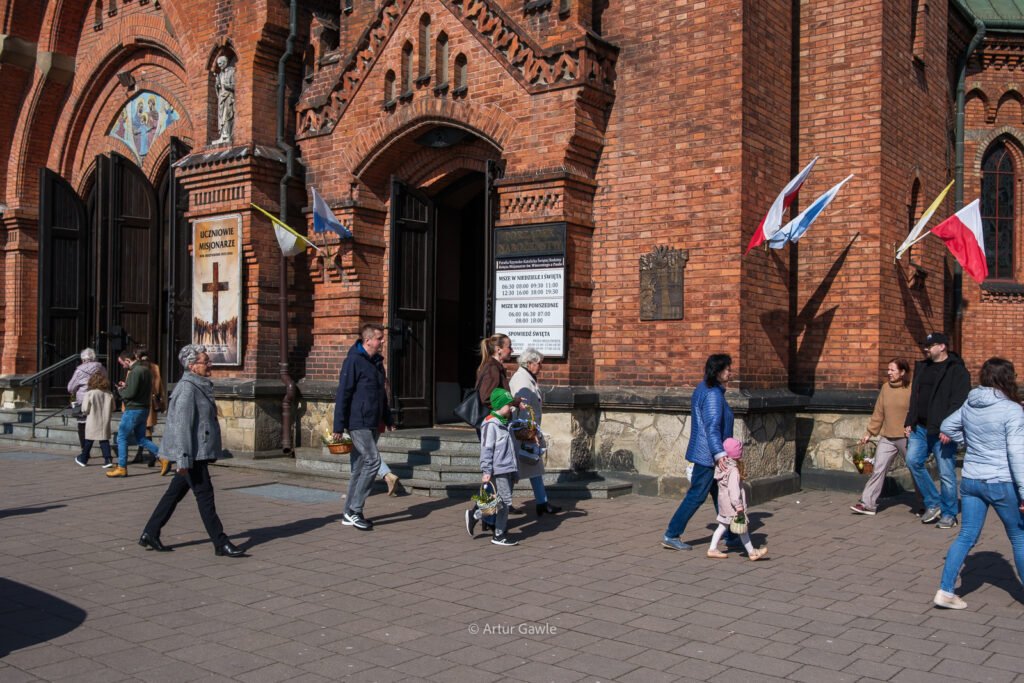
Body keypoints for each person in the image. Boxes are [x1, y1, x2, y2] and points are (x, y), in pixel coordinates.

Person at [933, 357, 1024, 609]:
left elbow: (947, 426)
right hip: (1001, 481)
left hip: (972, 480)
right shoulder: (1012, 410)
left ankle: (945, 591)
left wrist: (967, 441)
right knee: (1019, 538)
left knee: (966, 536)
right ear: (1008, 378)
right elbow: (1017, 453)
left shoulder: (970, 403)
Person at [138, 345, 245, 558]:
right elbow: (181, 427)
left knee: (174, 493)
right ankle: (220, 542)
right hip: (191, 454)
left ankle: (150, 532)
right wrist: (183, 460)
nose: (210, 365)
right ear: (192, 366)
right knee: (205, 496)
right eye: (206, 361)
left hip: (196, 451)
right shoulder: (188, 389)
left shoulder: (199, 385)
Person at [662, 353, 740, 551]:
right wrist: (720, 454)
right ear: (718, 371)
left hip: (708, 453)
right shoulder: (713, 394)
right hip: (709, 456)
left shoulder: (705, 388)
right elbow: (712, 427)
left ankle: (732, 534)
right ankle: (671, 534)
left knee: (721, 494)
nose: (730, 372)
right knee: (697, 495)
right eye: (727, 369)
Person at [904, 332, 971, 529]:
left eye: (930, 345)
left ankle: (949, 514)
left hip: (943, 431)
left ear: (942, 346)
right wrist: (910, 420)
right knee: (913, 461)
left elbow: (959, 403)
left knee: (946, 473)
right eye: (925, 345)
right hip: (920, 428)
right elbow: (915, 397)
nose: (926, 349)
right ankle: (934, 503)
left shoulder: (957, 370)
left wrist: (950, 428)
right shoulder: (923, 367)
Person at [333, 323, 395, 531]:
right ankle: (355, 510)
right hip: (358, 421)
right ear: (367, 340)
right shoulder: (353, 361)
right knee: (373, 461)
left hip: (373, 421)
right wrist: (338, 426)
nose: (383, 341)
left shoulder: (377, 363)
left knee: (359, 469)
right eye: (379, 338)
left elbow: (381, 394)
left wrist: (388, 418)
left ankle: (347, 513)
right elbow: (343, 393)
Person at [850, 359, 912, 515]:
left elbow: (917, 411)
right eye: (888, 369)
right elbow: (878, 413)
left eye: (892, 370)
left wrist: (914, 426)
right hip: (887, 437)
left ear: (902, 372)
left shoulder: (911, 388)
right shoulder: (885, 388)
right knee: (878, 469)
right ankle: (867, 504)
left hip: (906, 438)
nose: (889, 372)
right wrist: (869, 432)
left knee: (916, 470)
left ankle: (926, 503)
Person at [509, 348, 561, 516]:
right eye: (539, 363)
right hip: (522, 433)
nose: (541, 367)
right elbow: (523, 409)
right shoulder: (522, 380)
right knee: (513, 469)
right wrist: (529, 434)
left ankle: (542, 502)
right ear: (529, 363)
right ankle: (504, 503)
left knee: (533, 465)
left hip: (526, 431)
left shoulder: (527, 378)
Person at [707, 438, 768, 561]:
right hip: (733, 506)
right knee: (742, 528)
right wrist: (739, 506)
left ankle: (712, 549)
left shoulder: (722, 466)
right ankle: (752, 552)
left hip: (724, 504)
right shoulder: (733, 471)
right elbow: (734, 490)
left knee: (722, 526)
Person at [107, 349, 160, 478]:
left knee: (121, 437)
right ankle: (163, 456)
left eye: (122, 363)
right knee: (141, 438)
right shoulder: (146, 370)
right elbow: (139, 388)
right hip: (144, 408)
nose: (122, 366)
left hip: (133, 409)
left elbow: (130, 394)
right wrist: (127, 385)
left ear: (127, 360)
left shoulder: (135, 371)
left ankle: (122, 467)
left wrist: (121, 391)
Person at [478, 388, 521, 546]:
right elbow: (486, 448)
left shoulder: (506, 423)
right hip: (499, 469)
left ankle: (476, 515)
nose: (511, 408)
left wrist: (515, 472)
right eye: (508, 405)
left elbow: (511, 449)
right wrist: (486, 469)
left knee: (500, 501)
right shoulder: (491, 424)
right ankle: (498, 534)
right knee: (504, 502)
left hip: (508, 468)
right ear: (499, 405)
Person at [131, 345, 169, 471]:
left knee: (143, 429)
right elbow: (159, 385)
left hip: (139, 401)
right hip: (151, 401)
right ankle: (142, 454)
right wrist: (161, 401)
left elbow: (131, 387)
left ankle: (154, 455)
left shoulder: (136, 367)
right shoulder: (154, 367)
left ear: (137, 355)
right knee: (145, 428)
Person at [67, 348, 107, 452]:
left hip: (83, 400)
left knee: (82, 424)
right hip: (98, 399)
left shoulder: (79, 370)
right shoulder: (101, 368)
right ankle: (105, 452)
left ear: (82, 359)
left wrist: (76, 390)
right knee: (98, 423)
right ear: (94, 357)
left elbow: (70, 387)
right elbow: (106, 380)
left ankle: (84, 450)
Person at [74, 373, 115, 468]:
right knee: (104, 440)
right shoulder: (109, 393)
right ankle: (108, 460)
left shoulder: (90, 393)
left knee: (89, 439)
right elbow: (113, 407)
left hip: (93, 419)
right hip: (105, 420)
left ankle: (83, 459)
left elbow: (85, 409)